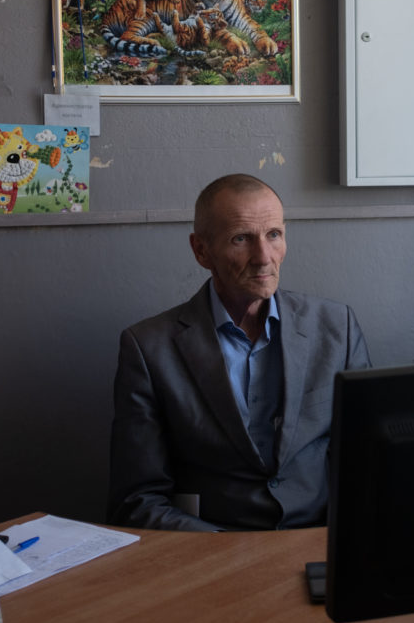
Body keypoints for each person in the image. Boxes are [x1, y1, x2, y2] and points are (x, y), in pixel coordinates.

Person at [109, 174, 371, 531]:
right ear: (201, 251)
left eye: (273, 235)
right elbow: (136, 501)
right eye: (241, 239)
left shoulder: (337, 327)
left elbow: (366, 462)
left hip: (318, 540)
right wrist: (228, 552)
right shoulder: (149, 348)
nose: (263, 258)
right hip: (211, 547)